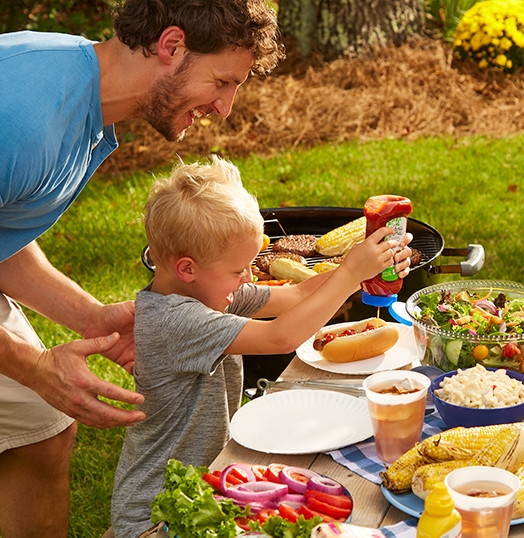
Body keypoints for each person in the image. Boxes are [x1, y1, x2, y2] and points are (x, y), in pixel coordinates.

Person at [0, 1, 284, 535]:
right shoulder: (18, 117)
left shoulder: (85, 106)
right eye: (222, 81)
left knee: (39, 429)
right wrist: (30, 364)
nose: (225, 108)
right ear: (171, 46)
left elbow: (1, 239)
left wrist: (91, 316)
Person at [109, 155, 412, 536]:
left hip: (207, 491)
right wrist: (351, 273)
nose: (249, 277)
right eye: (239, 270)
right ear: (187, 268)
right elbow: (278, 337)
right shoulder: (176, 319)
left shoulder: (210, 291)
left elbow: (298, 293)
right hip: (155, 517)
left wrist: (365, 272)